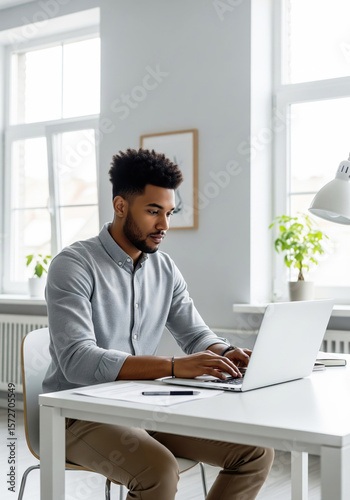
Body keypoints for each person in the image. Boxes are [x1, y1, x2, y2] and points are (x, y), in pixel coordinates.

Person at [43, 148, 274, 499]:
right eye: (153, 211)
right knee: (159, 471)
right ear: (121, 206)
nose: (165, 225)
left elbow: (195, 333)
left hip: (144, 407)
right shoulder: (73, 265)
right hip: (74, 415)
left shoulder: (164, 268)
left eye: (168, 212)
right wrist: (172, 366)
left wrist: (227, 353)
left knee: (255, 452)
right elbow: (77, 359)